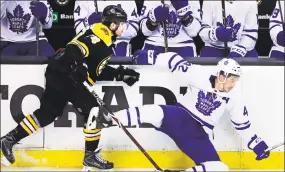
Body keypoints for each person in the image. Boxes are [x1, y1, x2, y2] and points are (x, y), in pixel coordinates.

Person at [0, 5, 140, 170]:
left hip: (58, 71)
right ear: (112, 24)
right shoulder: (101, 33)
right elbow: (75, 49)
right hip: (66, 74)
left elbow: (95, 68)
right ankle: (90, 156)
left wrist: (119, 74)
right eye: (121, 23)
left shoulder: (105, 37)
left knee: (48, 113)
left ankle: (8, 139)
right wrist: (76, 64)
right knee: (93, 110)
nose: (124, 27)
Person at [92, 50, 270, 171]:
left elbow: (242, 126)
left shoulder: (234, 96)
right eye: (232, 79)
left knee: (220, 168)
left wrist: (257, 145)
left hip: (198, 135)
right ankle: (110, 119)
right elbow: (174, 60)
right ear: (221, 76)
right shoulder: (199, 74)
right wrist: (151, 56)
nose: (234, 84)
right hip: (179, 117)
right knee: (155, 112)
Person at [74, 0, 139, 57]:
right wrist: (89, 21)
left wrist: (114, 26)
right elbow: (79, 30)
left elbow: (134, 29)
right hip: (93, 47)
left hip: (120, 50)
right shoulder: (83, 1)